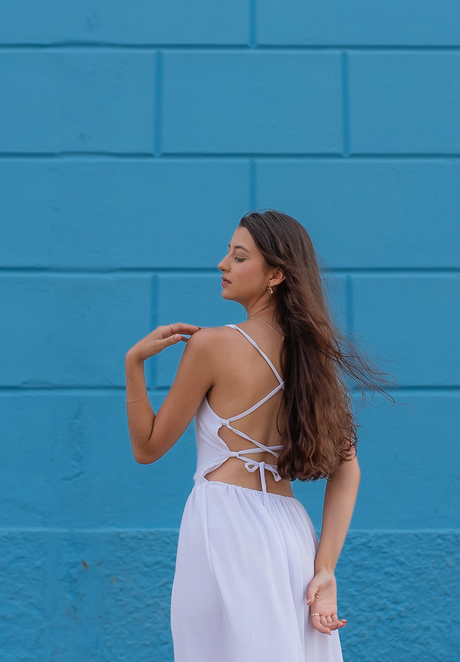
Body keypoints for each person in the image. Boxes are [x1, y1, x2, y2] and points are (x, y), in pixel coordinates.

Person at [124, 209, 396, 661]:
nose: (222, 265)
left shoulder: (211, 345)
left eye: (238, 256)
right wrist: (325, 568)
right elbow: (348, 469)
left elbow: (147, 448)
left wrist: (134, 365)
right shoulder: (313, 359)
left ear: (276, 274)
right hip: (292, 532)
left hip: (224, 525)